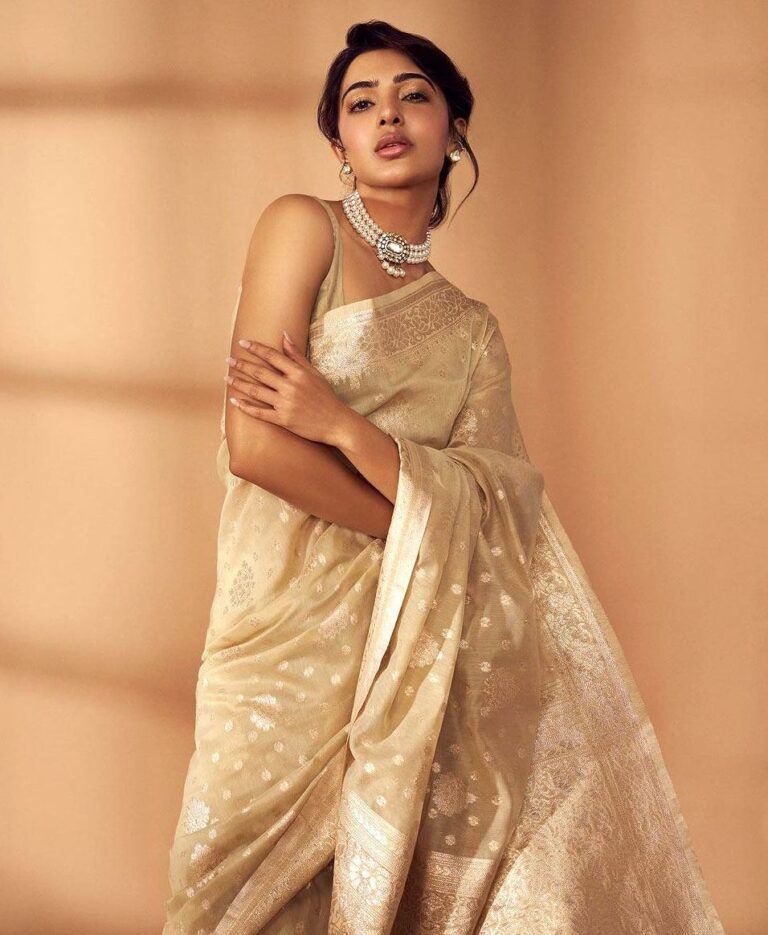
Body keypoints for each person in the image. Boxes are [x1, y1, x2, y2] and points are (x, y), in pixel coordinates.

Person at [163, 20, 724, 934]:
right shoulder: (301, 227)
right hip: (281, 643)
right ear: (339, 144)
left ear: (454, 130)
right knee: (227, 894)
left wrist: (341, 426)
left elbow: (501, 508)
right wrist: (413, 512)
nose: (387, 114)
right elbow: (256, 447)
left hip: (412, 660)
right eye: (361, 102)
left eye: (413, 95)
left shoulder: (471, 332)